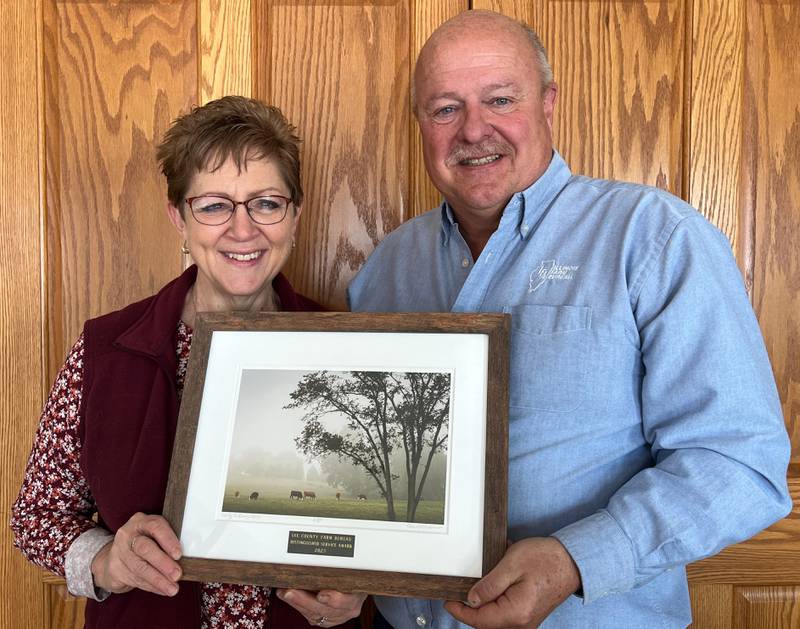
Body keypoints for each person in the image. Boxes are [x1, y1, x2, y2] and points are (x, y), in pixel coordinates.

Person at [348, 10, 792, 629]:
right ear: (420, 122)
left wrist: (575, 560)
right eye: (445, 108)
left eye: (500, 99)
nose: (474, 129)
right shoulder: (384, 271)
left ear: (549, 102)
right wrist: (342, 577)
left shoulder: (656, 239)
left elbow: (738, 461)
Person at [11, 96, 365, 629]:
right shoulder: (104, 352)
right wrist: (107, 560)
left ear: (294, 214)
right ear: (179, 216)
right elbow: (36, 518)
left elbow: (378, 524)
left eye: (266, 203)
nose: (242, 230)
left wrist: (360, 591)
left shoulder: (348, 350)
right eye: (214, 205)